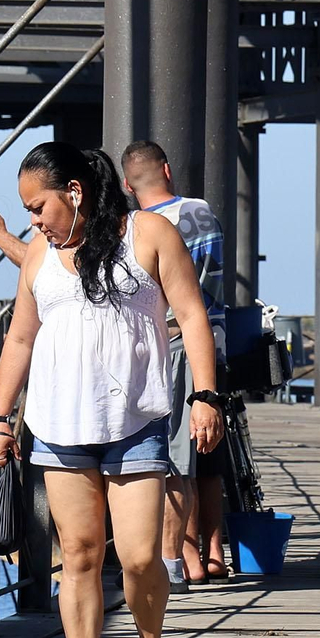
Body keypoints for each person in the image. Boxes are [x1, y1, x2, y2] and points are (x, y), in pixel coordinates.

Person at [0, 142, 225, 638]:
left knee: (142, 557)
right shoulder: (41, 254)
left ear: (74, 192)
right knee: (82, 558)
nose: (32, 221)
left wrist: (204, 395)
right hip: (59, 426)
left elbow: (192, 315)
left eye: (37, 206)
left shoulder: (148, 234)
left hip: (136, 420)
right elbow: (20, 338)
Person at [119, 140, 230, 592]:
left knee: (173, 460)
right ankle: (210, 553)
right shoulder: (202, 213)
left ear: (127, 185)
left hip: (174, 346)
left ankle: (176, 561)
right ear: (166, 169)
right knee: (205, 455)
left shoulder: (141, 229)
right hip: (215, 345)